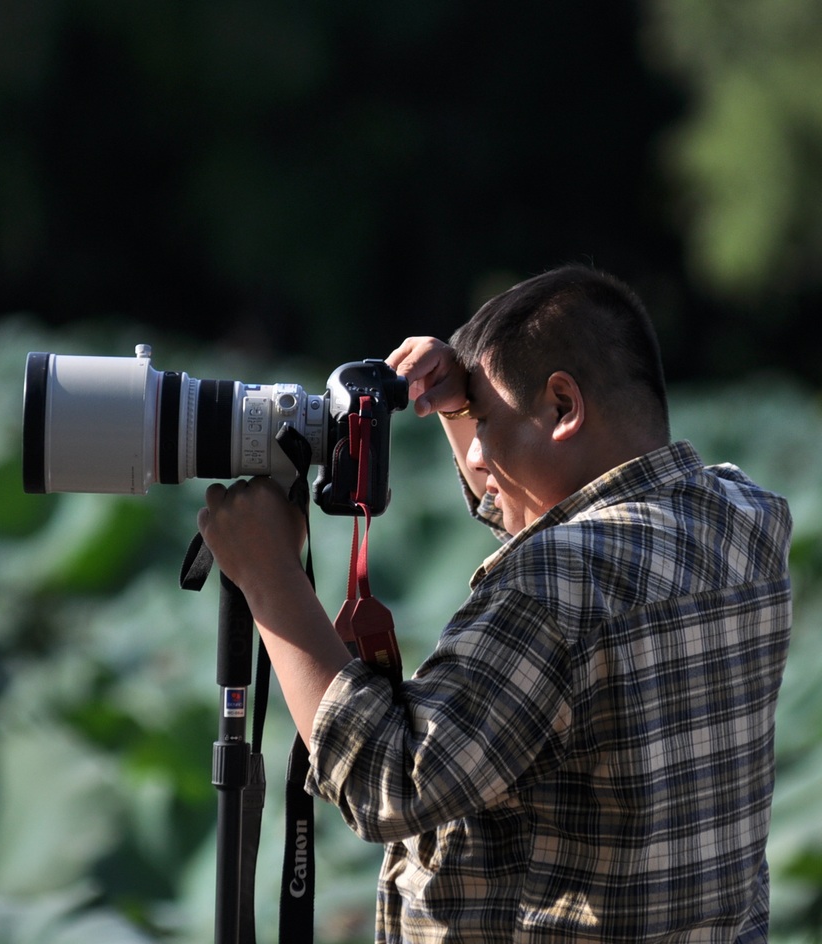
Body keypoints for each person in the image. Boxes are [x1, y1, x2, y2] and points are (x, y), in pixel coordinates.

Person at [197, 264, 792, 943]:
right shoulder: (745, 514)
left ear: (563, 407)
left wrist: (269, 576)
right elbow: (571, 532)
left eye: (485, 421)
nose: (475, 453)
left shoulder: (552, 584)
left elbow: (392, 782)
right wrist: (461, 409)